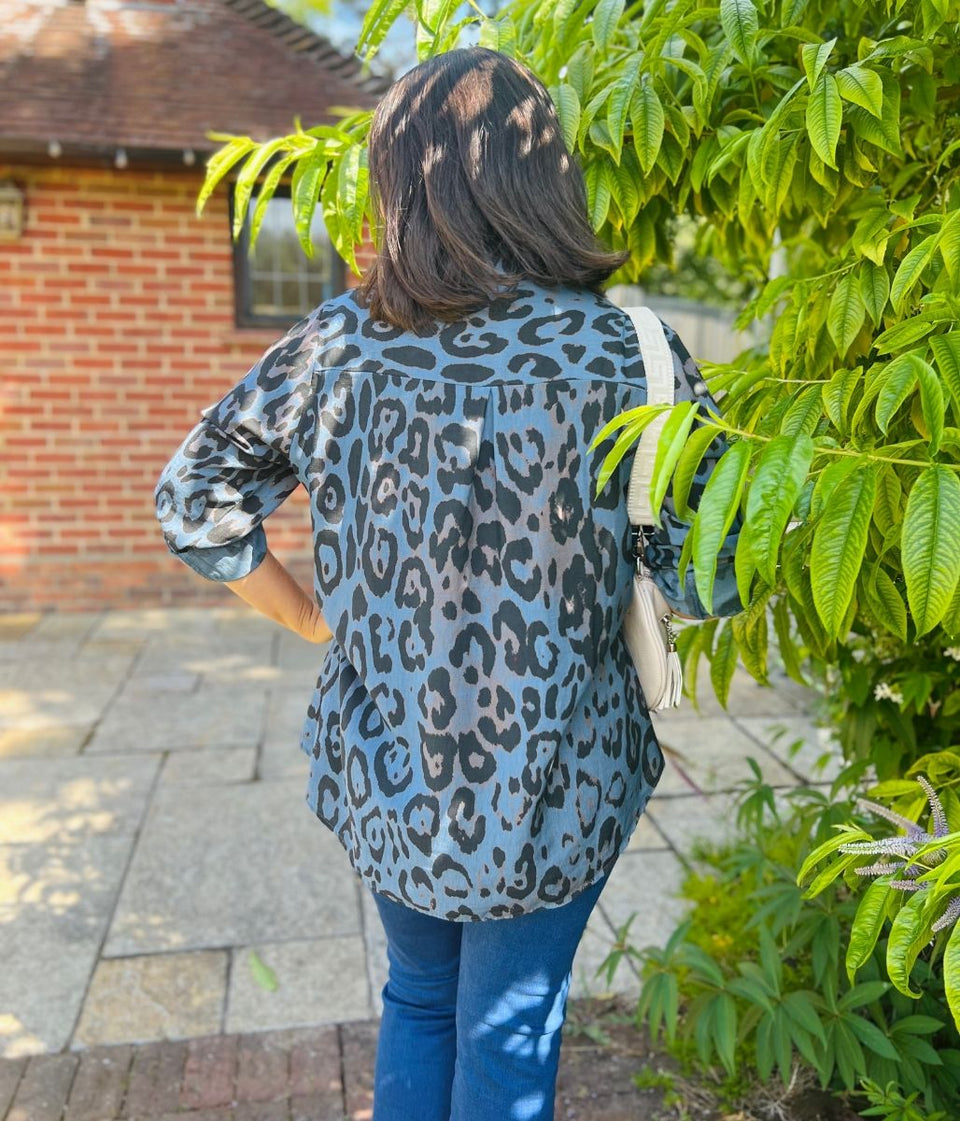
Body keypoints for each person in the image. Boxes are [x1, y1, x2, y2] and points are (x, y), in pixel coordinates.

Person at [153, 45, 743, 1121]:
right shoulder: (632, 354)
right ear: (540, 175)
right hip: (559, 773)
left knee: (419, 995)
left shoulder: (336, 345)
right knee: (509, 1034)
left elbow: (194, 499)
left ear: (400, 188)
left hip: (393, 760)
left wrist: (303, 616)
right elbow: (704, 585)